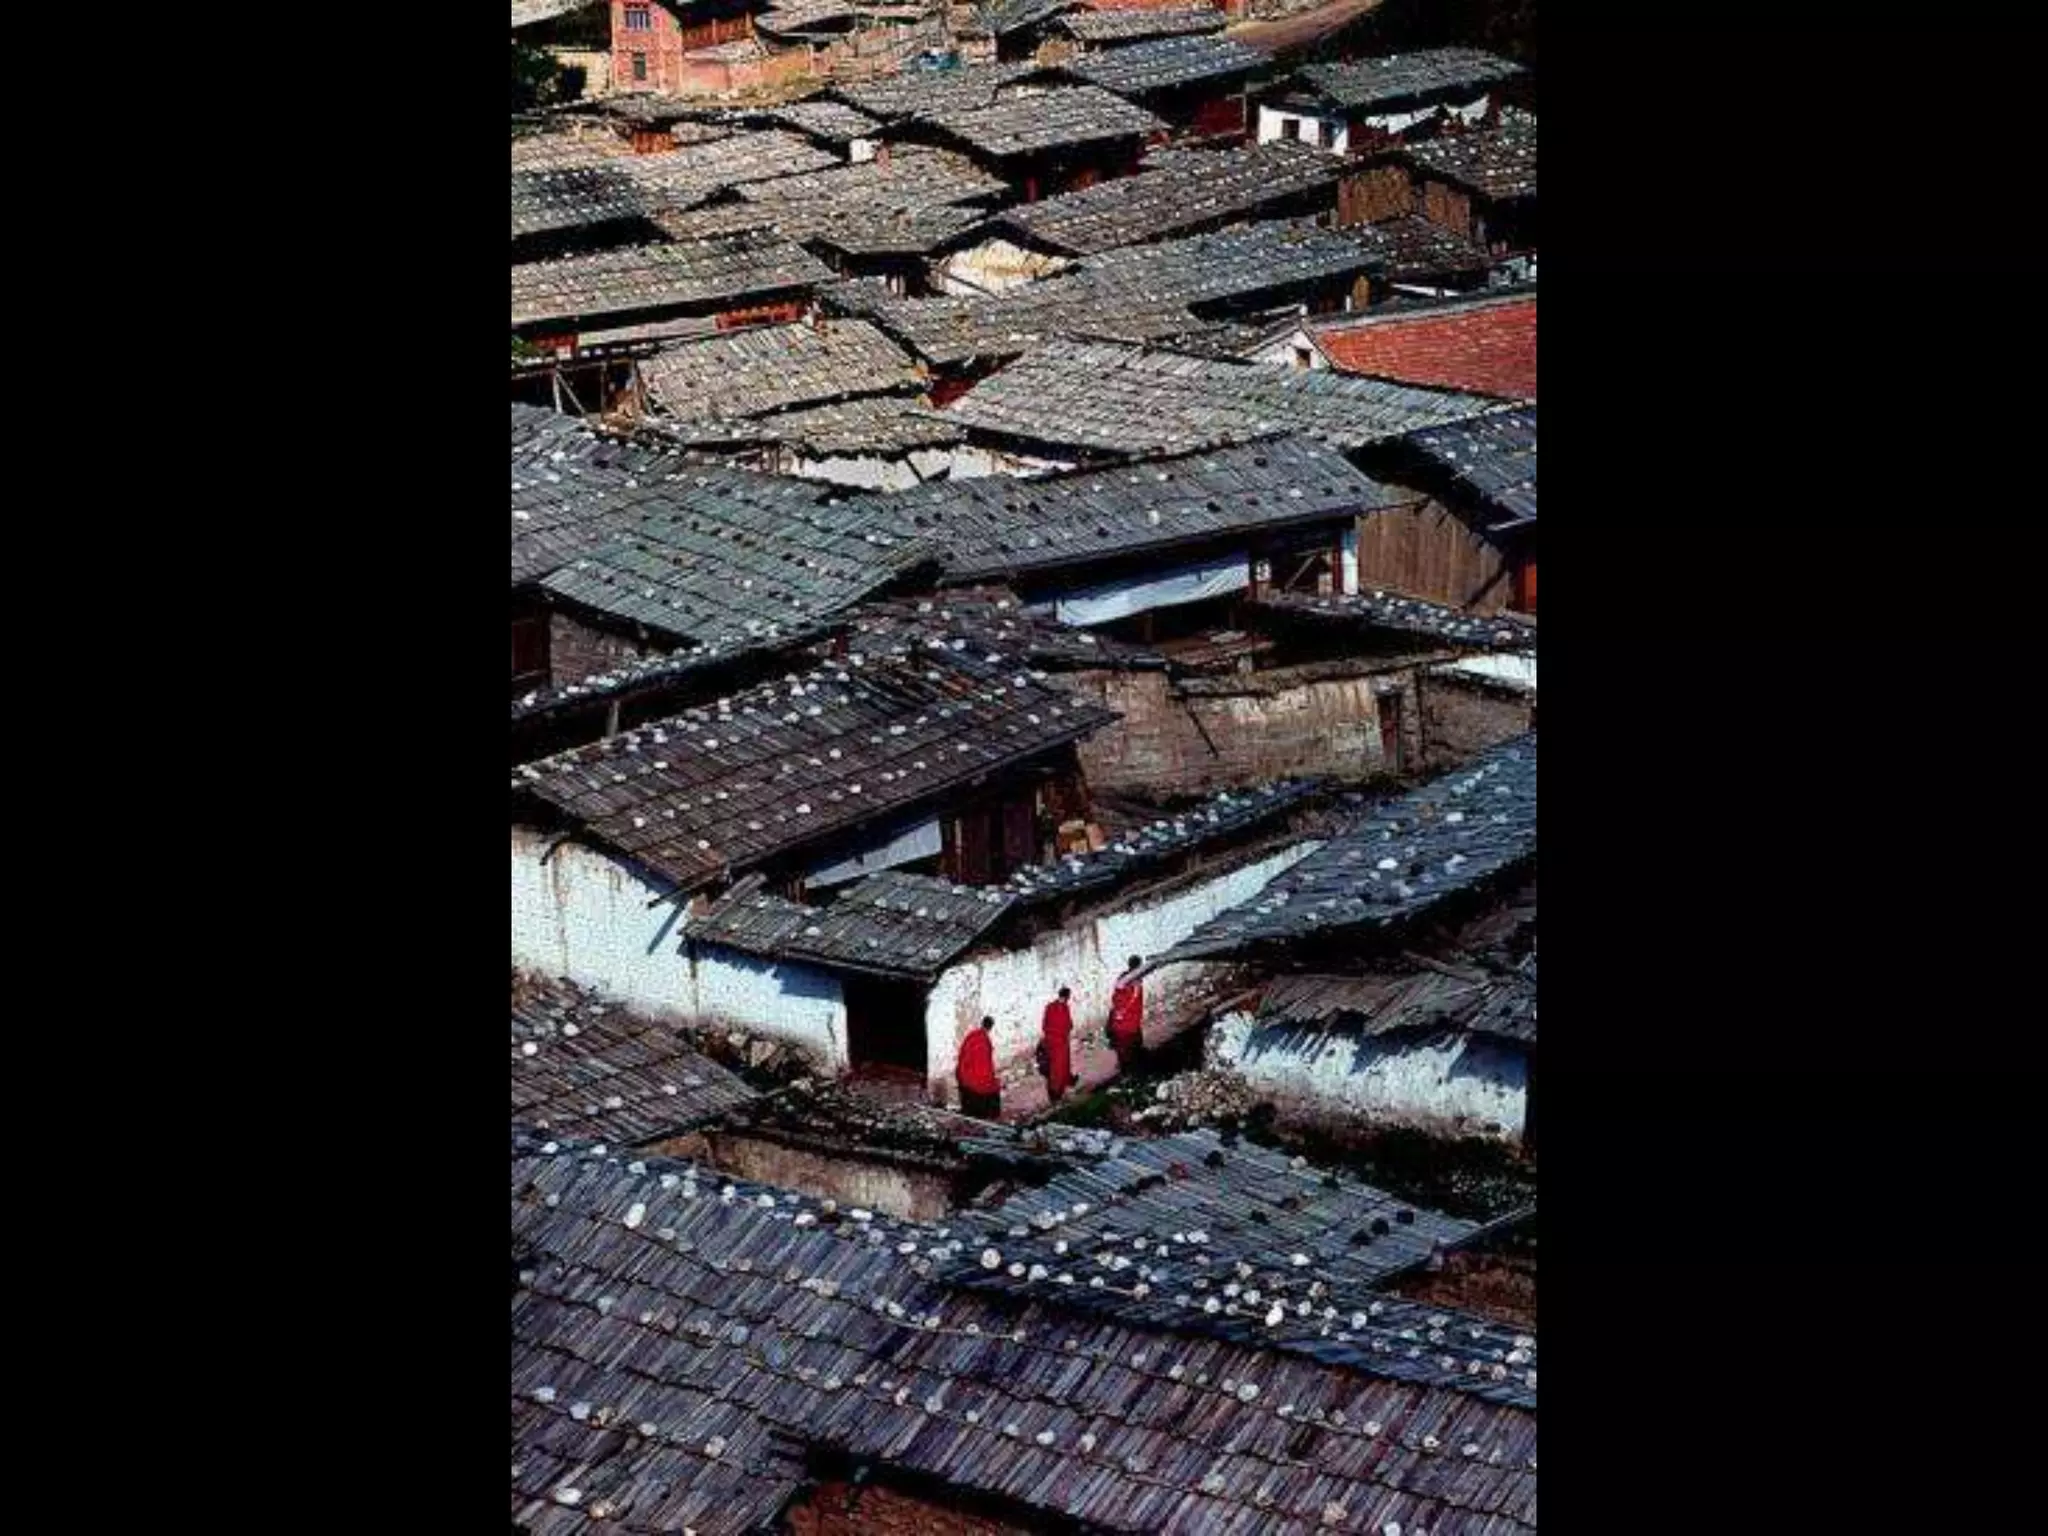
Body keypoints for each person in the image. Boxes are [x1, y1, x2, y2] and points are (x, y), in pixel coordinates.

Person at [956, 1015, 1001, 1120]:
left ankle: (969, 1111)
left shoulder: (971, 1035)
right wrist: (992, 1079)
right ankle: (987, 1114)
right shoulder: (984, 1040)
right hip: (975, 1079)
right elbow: (985, 1064)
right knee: (990, 1087)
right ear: (990, 1027)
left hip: (963, 1075)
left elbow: (962, 1055)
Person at [1108, 956, 1146, 1075]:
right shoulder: (1132, 981)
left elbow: (1116, 998)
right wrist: (1121, 1012)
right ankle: (1128, 1070)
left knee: (1129, 1046)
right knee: (1129, 1047)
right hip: (1127, 1021)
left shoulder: (1126, 978)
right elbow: (1123, 1000)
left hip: (1127, 1020)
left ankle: (1128, 1068)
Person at [1037, 986, 1075, 1102]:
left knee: (1056, 1065)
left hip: (1050, 1040)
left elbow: (1044, 1024)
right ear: (1067, 997)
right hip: (1060, 1041)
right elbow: (1068, 1024)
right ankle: (1056, 1092)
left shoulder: (1049, 1006)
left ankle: (1064, 1082)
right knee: (1059, 1067)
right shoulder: (1064, 1008)